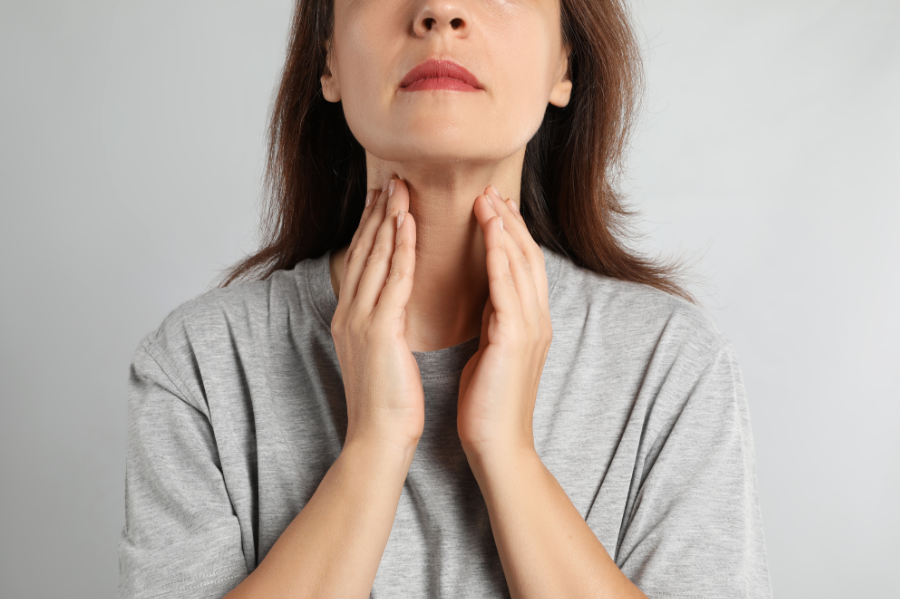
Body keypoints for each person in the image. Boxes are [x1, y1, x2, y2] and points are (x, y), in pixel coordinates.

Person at [118, 0, 773, 597]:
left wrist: (508, 453)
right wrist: (374, 445)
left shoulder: (674, 367)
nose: (441, 12)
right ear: (329, 60)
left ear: (564, 63)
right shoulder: (198, 366)